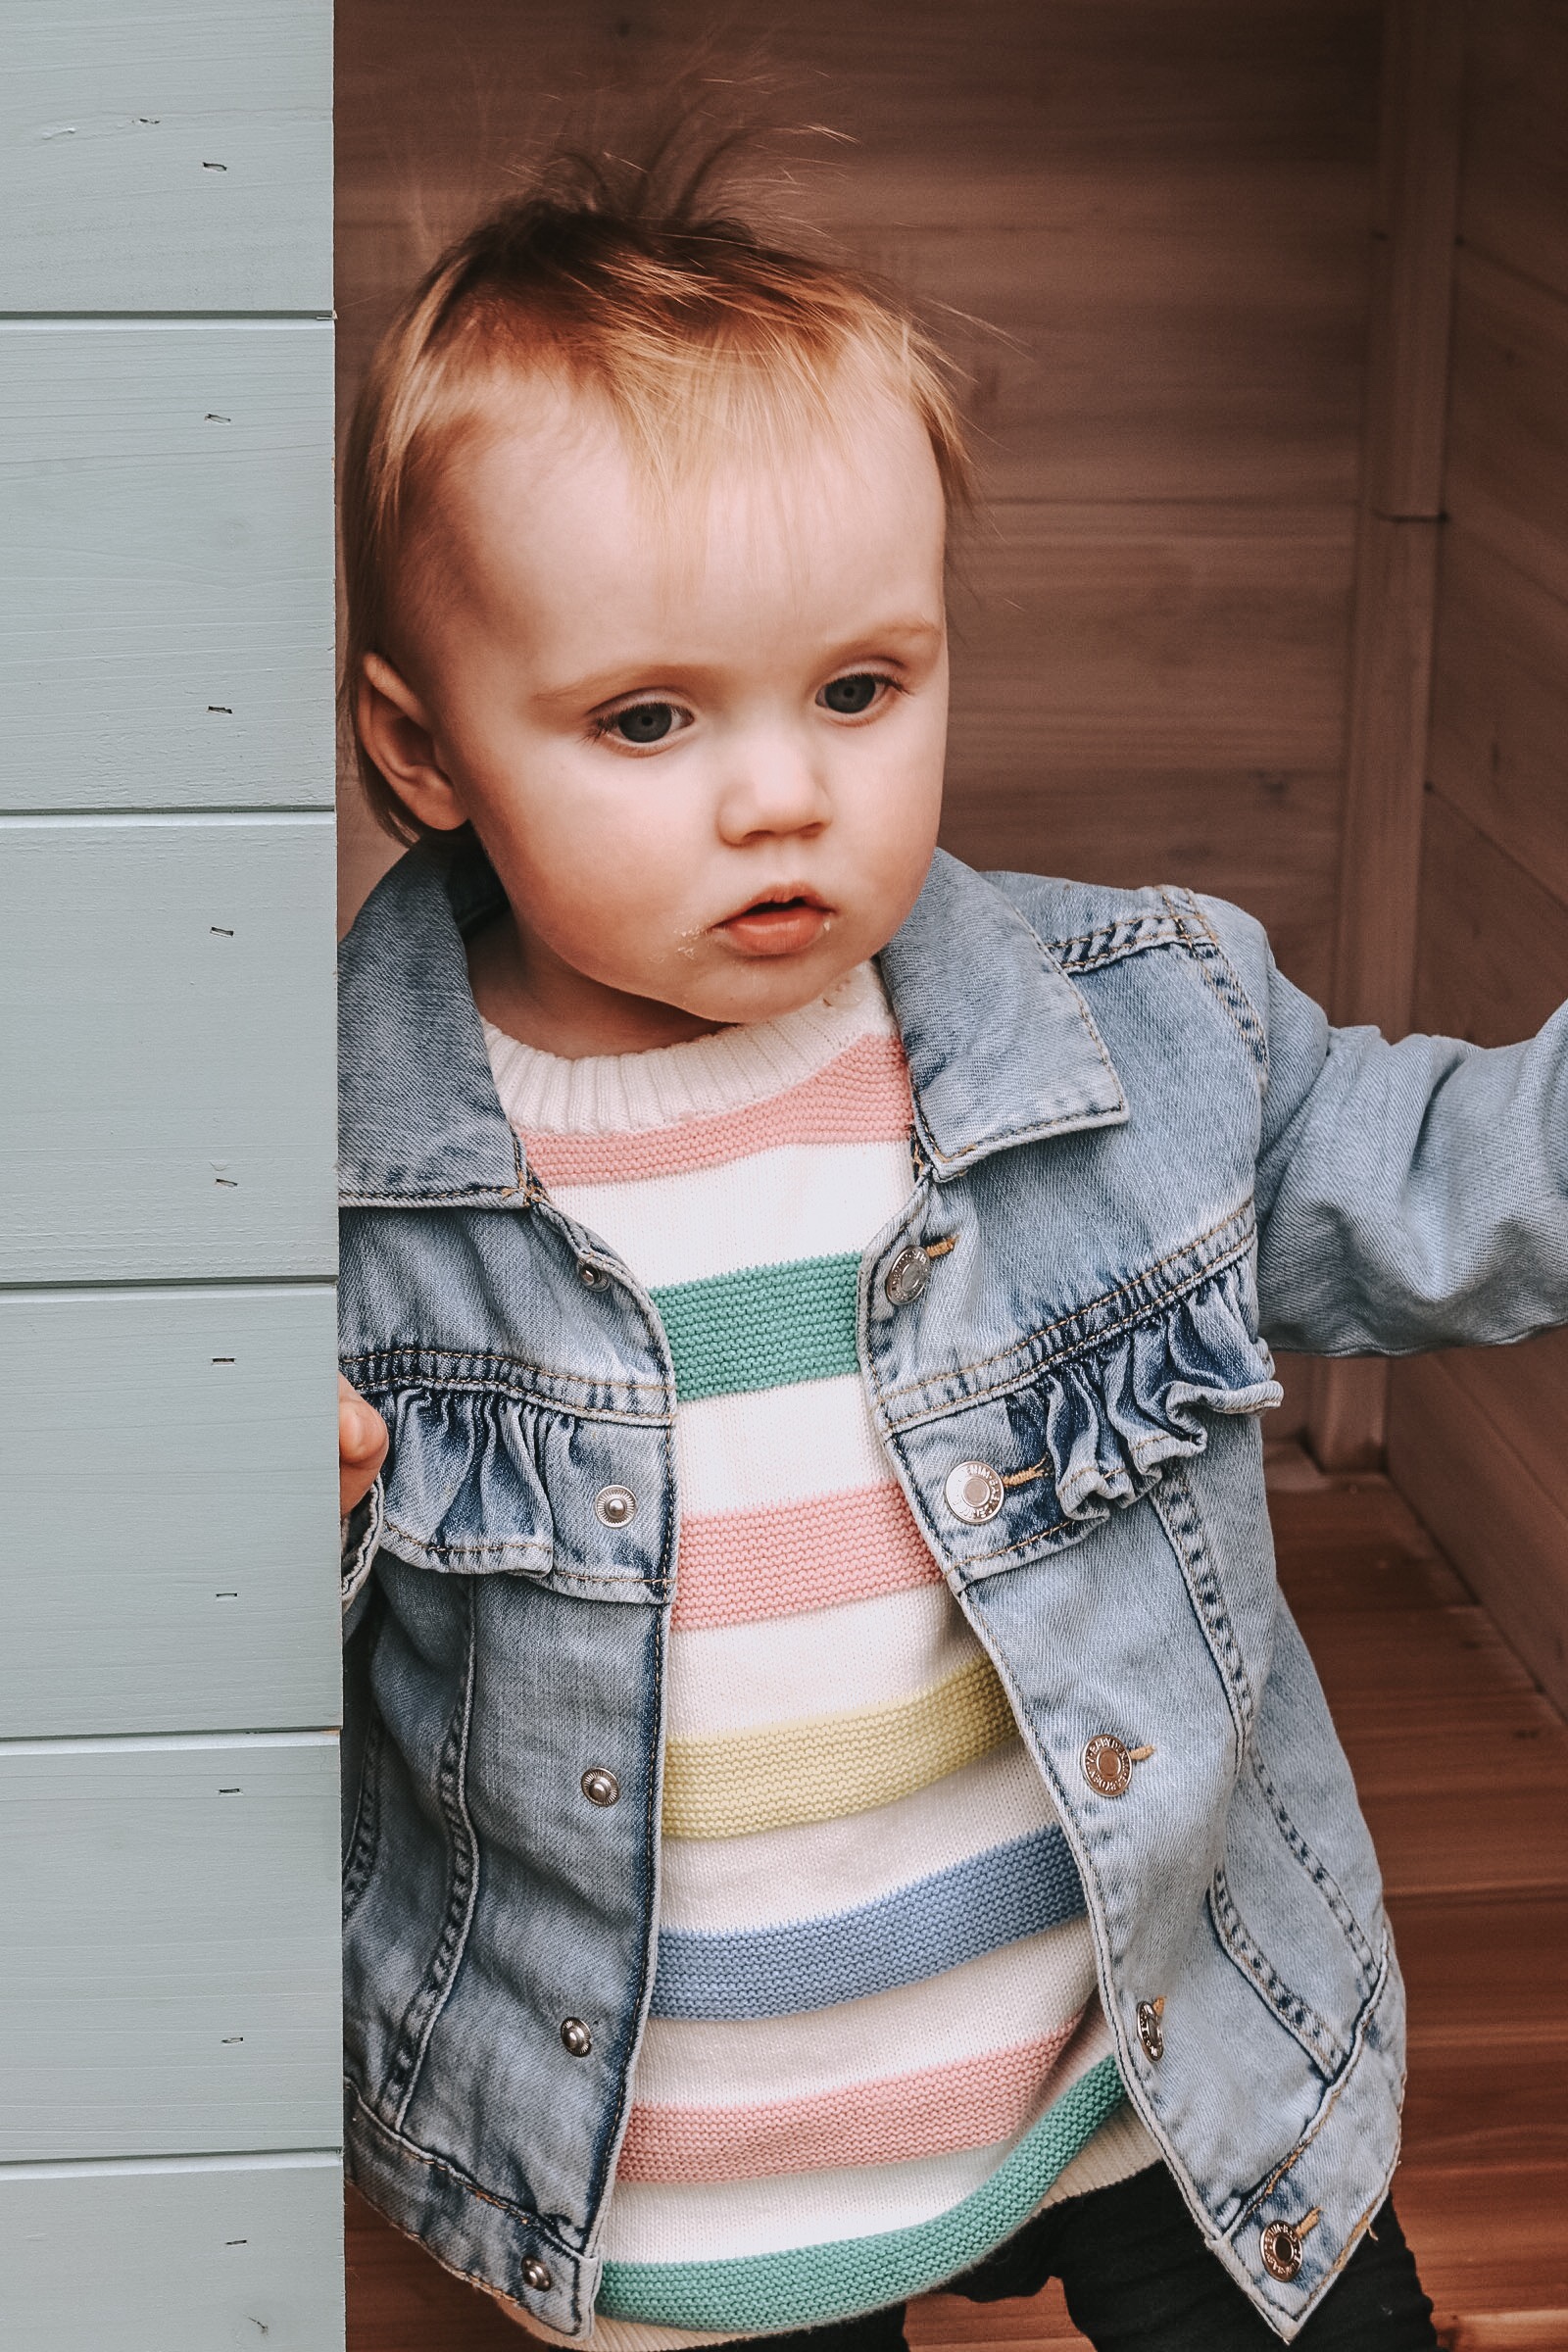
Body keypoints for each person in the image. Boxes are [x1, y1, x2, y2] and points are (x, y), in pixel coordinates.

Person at [332, 141, 1562, 2352]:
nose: (779, 794)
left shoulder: (1133, 1041)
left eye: (858, 689)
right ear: (422, 753)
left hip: (1154, 2065)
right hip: (673, 2175)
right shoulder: (311, 1183)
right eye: (644, 720)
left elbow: (1451, 1172)